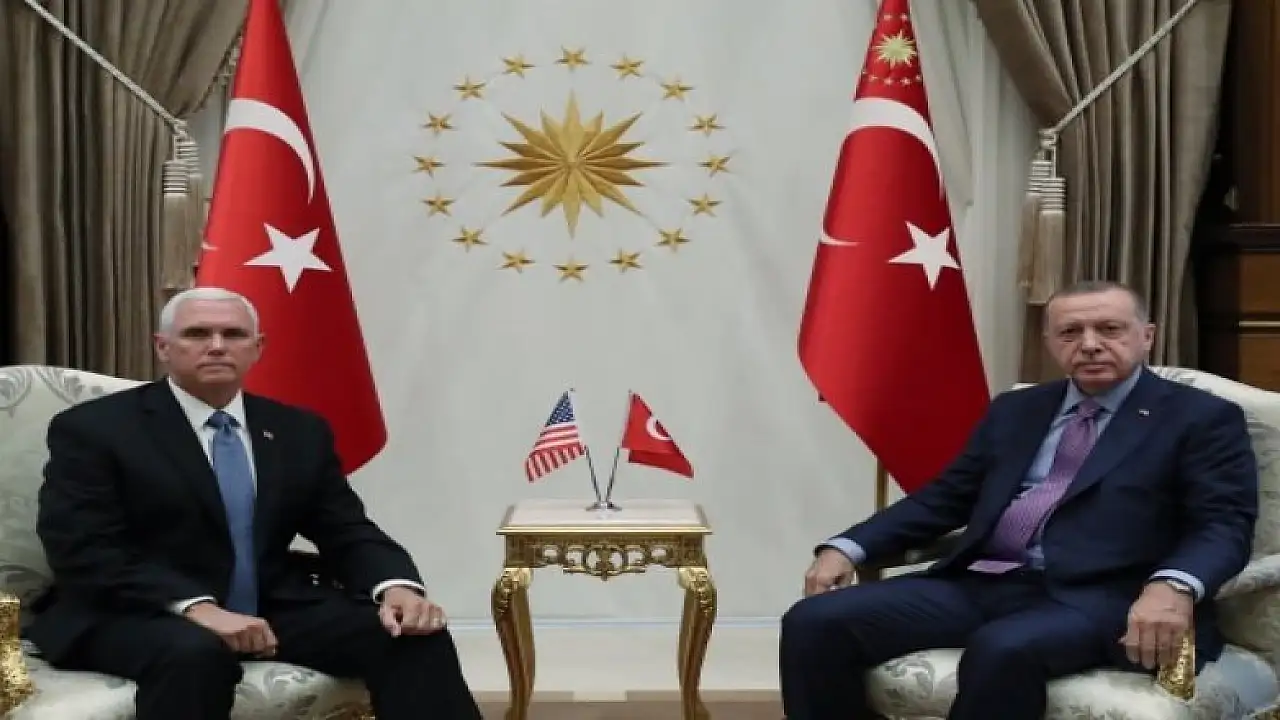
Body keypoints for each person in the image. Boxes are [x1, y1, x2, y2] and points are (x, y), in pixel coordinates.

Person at [779, 280, 1259, 720]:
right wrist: (848, 546)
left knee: (1002, 648)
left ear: (1146, 336)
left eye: (1110, 329)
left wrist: (1173, 585)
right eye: (1070, 332)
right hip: (983, 582)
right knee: (815, 621)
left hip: (1106, 596)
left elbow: (1223, 524)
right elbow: (946, 498)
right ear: (1050, 342)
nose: (1090, 344)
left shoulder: (1200, 418)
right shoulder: (1017, 409)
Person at [30, 287, 482, 719]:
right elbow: (83, 547)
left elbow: (346, 529)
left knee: (411, 636)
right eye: (197, 334)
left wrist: (396, 587)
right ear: (163, 347)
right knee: (195, 655)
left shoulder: (298, 431)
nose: (216, 346)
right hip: (133, 610)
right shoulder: (95, 429)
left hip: (268, 605)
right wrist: (197, 608)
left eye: (233, 334)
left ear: (257, 347)